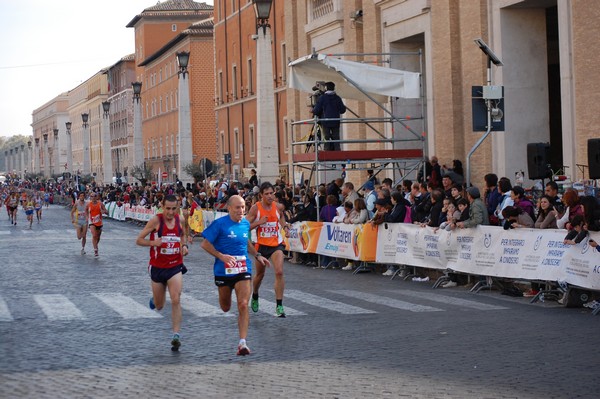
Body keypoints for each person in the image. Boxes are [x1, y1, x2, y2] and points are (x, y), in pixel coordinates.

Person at [200, 195, 270, 356]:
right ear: (229, 208)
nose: (241, 210)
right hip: (223, 271)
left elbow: (246, 242)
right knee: (225, 307)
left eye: (243, 207)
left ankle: (242, 342)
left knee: (243, 304)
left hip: (243, 269)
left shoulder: (245, 224)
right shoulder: (219, 224)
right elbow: (204, 243)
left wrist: (257, 255)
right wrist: (221, 256)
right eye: (238, 207)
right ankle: (227, 301)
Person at [136, 194, 189, 351]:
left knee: (175, 299)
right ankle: (155, 299)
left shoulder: (181, 219)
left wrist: (184, 246)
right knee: (159, 306)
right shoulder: (156, 221)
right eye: (168, 209)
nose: (171, 212)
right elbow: (138, 240)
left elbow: (183, 234)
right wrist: (153, 242)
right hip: (158, 267)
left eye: (174, 209)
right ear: (162, 206)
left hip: (175, 265)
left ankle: (176, 336)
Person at [246, 182, 289, 317]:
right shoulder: (255, 209)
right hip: (261, 246)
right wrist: (259, 223)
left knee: (279, 271)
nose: (270, 196)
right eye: (267, 194)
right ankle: (255, 294)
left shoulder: (277, 207)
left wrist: (285, 227)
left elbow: (281, 216)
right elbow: (244, 227)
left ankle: (279, 305)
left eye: (272, 193)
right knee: (260, 275)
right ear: (261, 195)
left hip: (276, 244)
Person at [312, 81, 346, 151]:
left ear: (326, 88)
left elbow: (317, 111)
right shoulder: (337, 98)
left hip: (325, 121)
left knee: (326, 138)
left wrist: (312, 110)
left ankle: (327, 152)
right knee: (336, 138)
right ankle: (337, 152)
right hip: (335, 121)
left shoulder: (322, 98)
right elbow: (342, 110)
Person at [87, 191, 107, 257]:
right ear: (90, 197)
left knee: (98, 237)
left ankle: (95, 244)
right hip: (91, 221)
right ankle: (95, 250)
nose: (93, 197)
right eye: (92, 196)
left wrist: (103, 211)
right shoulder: (88, 204)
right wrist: (87, 218)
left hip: (99, 222)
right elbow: (85, 211)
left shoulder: (100, 204)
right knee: (94, 235)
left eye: (95, 196)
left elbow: (107, 211)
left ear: (97, 197)